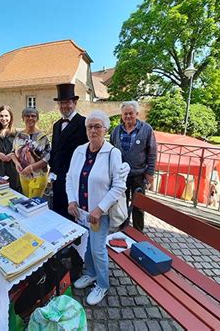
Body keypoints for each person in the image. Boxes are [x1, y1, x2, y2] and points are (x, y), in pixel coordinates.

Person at [66, 110, 126, 305]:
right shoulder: (79, 150)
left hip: (99, 213)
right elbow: (69, 177)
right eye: (90, 126)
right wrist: (71, 201)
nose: (93, 130)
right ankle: (90, 273)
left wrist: (99, 210)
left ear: (105, 129)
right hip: (82, 211)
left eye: (97, 126)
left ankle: (103, 284)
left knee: (98, 249)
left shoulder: (112, 153)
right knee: (87, 244)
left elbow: (118, 186)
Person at [110, 101, 157, 231]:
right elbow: (111, 151)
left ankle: (138, 232)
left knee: (138, 206)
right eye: (125, 114)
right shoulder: (116, 130)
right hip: (121, 176)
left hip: (139, 175)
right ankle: (121, 230)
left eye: (131, 113)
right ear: (122, 115)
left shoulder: (146, 129)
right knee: (120, 204)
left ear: (137, 114)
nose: (128, 116)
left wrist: (150, 173)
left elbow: (152, 152)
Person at [49, 83, 88, 220]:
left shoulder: (84, 123)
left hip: (75, 179)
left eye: (67, 102)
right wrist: (52, 172)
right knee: (57, 213)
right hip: (58, 178)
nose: (64, 106)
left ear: (75, 102)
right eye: (61, 103)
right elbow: (54, 151)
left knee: (73, 215)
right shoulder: (56, 125)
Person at [11, 107, 51, 198]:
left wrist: (31, 168)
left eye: (33, 116)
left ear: (37, 118)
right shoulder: (19, 135)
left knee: (33, 204)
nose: (30, 118)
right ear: (23, 118)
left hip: (38, 176)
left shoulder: (42, 137)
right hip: (23, 175)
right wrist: (17, 163)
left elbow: (47, 159)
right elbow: (12, 152)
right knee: (26, 200)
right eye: (27, 116)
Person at [0, 105, 21, 192]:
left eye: (6, 116)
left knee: (13, 193)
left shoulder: (17, 133)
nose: (3, 118)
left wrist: (12, 154)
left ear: (10, 117)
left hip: (13, 169)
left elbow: (20, 150)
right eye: (1, 116)